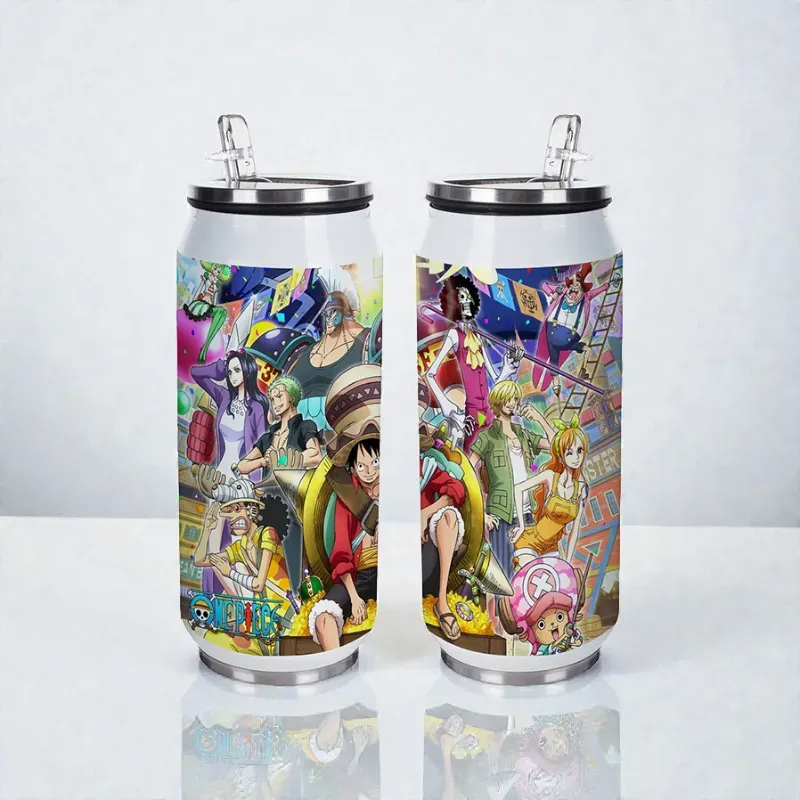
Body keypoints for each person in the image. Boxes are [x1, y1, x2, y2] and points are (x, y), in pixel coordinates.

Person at [190, 349, 269, 594]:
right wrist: (219, 368)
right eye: (230, 371)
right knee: (213, 541)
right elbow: (196, 374)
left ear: (247, 371)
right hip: (220, 476)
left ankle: (246, 598)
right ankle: (220, 597)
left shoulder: (257, 407)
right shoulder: (224, 397)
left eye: (236, 370)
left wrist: (254, 486)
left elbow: (260, 448)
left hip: (243, 480)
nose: (232, 375)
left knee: (240, 542)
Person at [192, 483, 293, 656]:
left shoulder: (268, 534)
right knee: (214, 638)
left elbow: (258, 584)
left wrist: (230, 573)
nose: (232, 518)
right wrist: (207, 529)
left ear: (252, 509)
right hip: (260, 627)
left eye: (237, 509)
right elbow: (200, 560)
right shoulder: (241, 547)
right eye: (230, 512)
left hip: (285, 623)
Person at [424, 274, 521, 452]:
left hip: (489, 414)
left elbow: (495, 380)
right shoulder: (454, 335)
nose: (466, 302)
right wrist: (451, 411)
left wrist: (509, 367)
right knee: (471, 456)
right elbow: (429, 374)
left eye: (468, 297)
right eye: (461, 298)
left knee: (495, 456)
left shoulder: (478, 337)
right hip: (471, 417)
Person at [469, 380, 553, 578]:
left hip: (527, 514)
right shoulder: (488, 437)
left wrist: (539, 418)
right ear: (498, 401)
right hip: (500, 516)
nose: (512, 402)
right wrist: (481, 513)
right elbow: (467, 471)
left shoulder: (522, 434)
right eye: (508, 398)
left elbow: (556, 445)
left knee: (530, 573)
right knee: (505, 574)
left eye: (515, 398)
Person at [310, 433, 380, 651]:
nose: (369, 471)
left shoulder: (402, 490)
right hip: (358, 576)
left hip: (395, 576)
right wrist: (354, 597)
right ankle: (334, 663)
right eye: (361, 465)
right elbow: (341, 552)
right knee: (323, 619)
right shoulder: (348, 501)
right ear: (353, 469)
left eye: (375, 462)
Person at [287, 266, 371, 431]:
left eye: (333, 312)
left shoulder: (366, 342)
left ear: (342, 311)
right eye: (326, 313)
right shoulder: (304, 350)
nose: (328, 318)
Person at [510, 415, 589, 568]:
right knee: (529, 576)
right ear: (561, 456)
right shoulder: (550, 477)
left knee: (556, 580)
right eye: (570, 452)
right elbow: (518, 488)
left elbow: (574, 530)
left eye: (579, 450)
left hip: (552, 548)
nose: (576, 457)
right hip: (530, 541)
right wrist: (521, 526)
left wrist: (567, 562)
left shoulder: (581, 489)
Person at [531, 263, 610, 396]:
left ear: (582, 290)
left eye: (578, 287)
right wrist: (552, 293)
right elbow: (544, 285)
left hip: (570, 338)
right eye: (572, 285)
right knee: (549, 359)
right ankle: (552, 382)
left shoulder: (586, 297)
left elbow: (599, 290)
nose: (573, 289)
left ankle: (577, 372)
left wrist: (606, 286)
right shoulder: (562, 290)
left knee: (579, 353)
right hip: (552, 332)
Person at [420, 432, 468, 641]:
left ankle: (441, 602)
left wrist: (425, 513)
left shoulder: (425, 469)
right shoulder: (375, 472)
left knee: (449, 516)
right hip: (385, 569)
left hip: (424, 562)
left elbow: (457, 489)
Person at [236, 376, 323, 476]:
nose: (275, 403)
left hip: (294, 485)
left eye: (279, 396)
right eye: (272, 399)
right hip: (268, 486)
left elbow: (315, 455)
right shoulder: (267, 438)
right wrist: (264, 461)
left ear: (292, 397)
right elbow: (241, 466)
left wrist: (280, 460)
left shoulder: (304, 426)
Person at [183, 261, 233, 364]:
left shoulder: (217, 285)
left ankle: (206, 346)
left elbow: (214, 299)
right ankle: (204, 348)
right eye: (215, 269)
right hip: (201, 304)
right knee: (221, 312)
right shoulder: (206, 278)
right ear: (212, 268)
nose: (216, 272)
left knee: (223, 312)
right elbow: (199, 289)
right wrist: (193, 302)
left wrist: (213, 307)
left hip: (209, 306)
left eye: (219, 271)